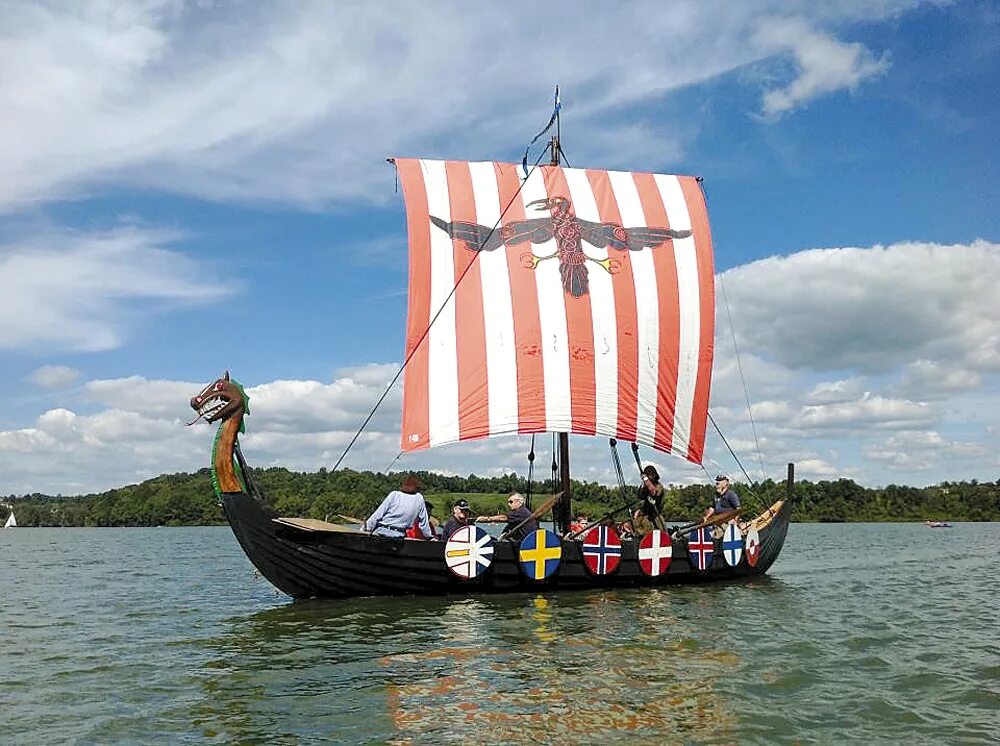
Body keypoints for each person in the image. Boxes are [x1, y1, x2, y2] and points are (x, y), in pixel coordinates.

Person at [364, 475, 435, 540]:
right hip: (399, 536)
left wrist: (367, 528)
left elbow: (377, 515)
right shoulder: (419, 498)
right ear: (417, 487)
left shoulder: (394, 494)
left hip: (381, 532)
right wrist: (429, 536)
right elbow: (424, 522)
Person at [632, 465, 665, 533]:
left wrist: (647, 481)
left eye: (650, 475)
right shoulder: (645, 487)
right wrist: (644, 484)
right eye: (648, 475)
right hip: (645, 514)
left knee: (662, 533)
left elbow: (654, 493)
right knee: (639, 528)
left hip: (655, 515)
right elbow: (640, 496)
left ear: (654, 475)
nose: (649, 477)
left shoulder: (659, 486)